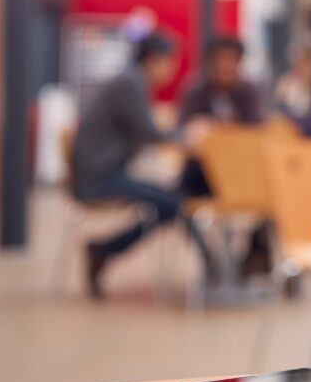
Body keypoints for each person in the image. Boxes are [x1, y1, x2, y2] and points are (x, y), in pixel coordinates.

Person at [71, 32, 212, 299]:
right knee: (176, 203)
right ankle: (211, 265)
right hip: (100, 177)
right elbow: (148, 133)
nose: (172, 69)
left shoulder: (131, 81)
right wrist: (187, 136)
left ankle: (105, 250)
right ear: (154, 60)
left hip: (107, 171)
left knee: (173, 200)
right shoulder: (129, 83)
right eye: (170, 62)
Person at [177, 35, 265, 199]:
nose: (227, 66)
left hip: (239, 169)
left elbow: (256, 131)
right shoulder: (195, 91)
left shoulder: (250, 92)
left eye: (233, 60)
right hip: (201, 168)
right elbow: (184, 130)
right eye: (222, 59)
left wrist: (219, 128)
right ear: (211, 62)